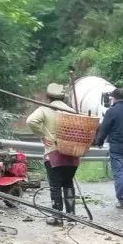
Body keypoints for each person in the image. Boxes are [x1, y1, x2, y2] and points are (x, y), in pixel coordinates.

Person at [27, 83, 80, 226]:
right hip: (72, 154)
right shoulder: (71, 111)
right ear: (63, 97)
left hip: (53, 153)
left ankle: (57, 216)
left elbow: (31, 121)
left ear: (48, 96)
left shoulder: (44, 109)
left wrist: (43, 135)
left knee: (55, 185)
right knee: (68, 183)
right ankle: (71, 216)